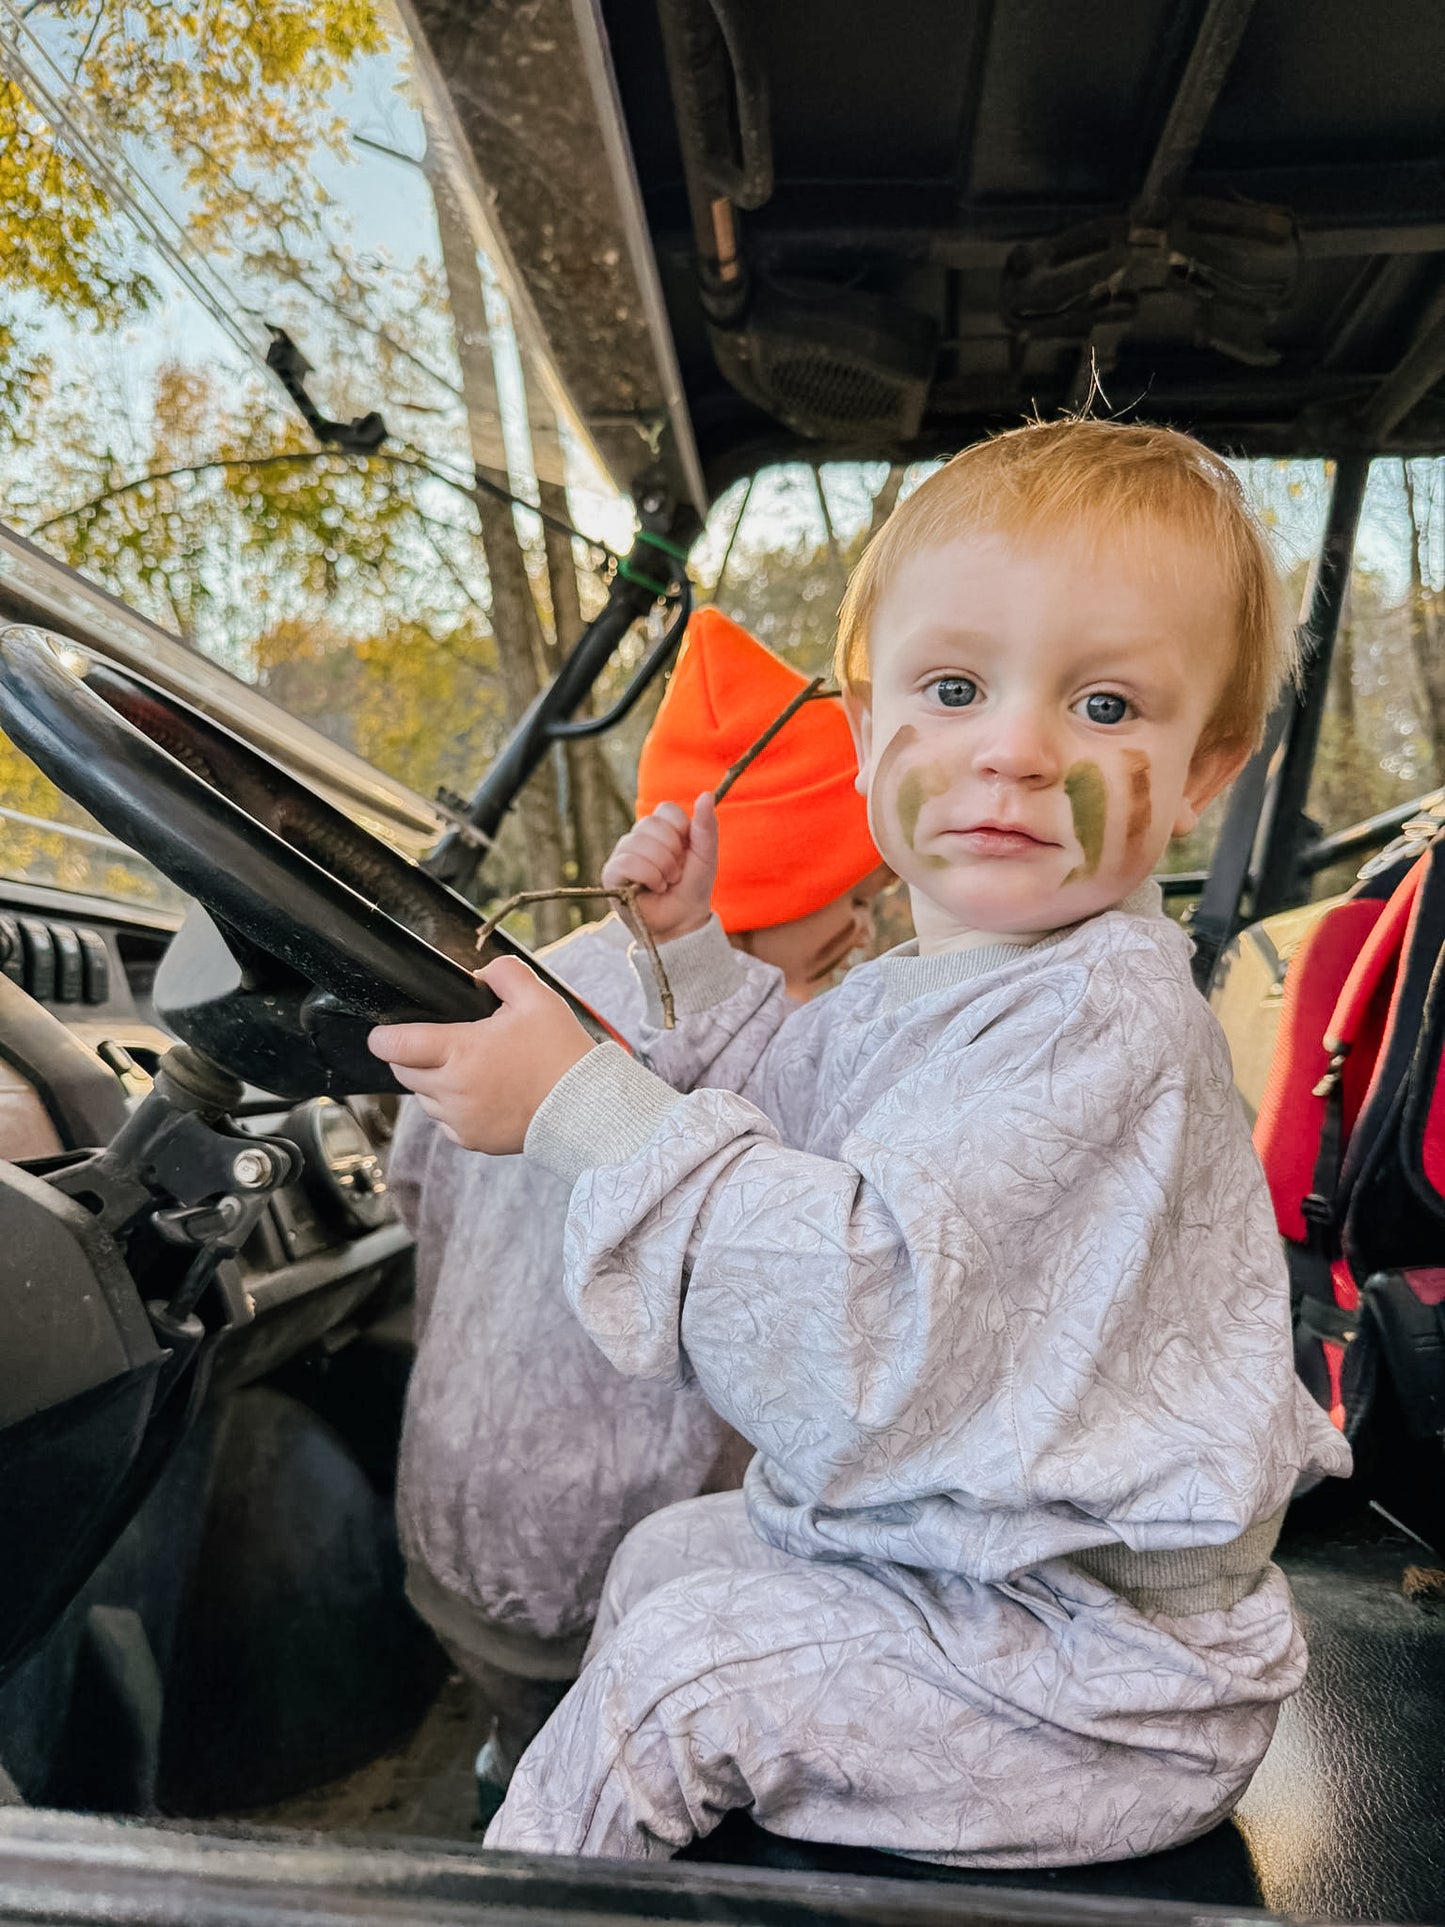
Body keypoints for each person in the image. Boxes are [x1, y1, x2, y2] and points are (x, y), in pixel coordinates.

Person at [371, 419, 1353, 1869]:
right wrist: (688, 951)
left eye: (1102, 704)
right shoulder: (921, 985)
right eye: (954, 686)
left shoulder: (1105, 1018)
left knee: (678, 1668)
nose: (1013, 748)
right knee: (658, 1558)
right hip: (968, 1575)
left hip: (1096, 1673)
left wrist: (577, 1100)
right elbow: (769, 1109)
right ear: (865, 718)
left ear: (1206, 767)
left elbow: (858, 1312)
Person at [387, 607, 887, 1805]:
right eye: (853, 883)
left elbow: (414, 1186)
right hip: (622, 1554)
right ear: (778, 875)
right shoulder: (786, 1049)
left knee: (522, 1717)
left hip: (444, 1508)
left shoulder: (508, 975)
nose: (870, 914)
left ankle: (508, 1758)